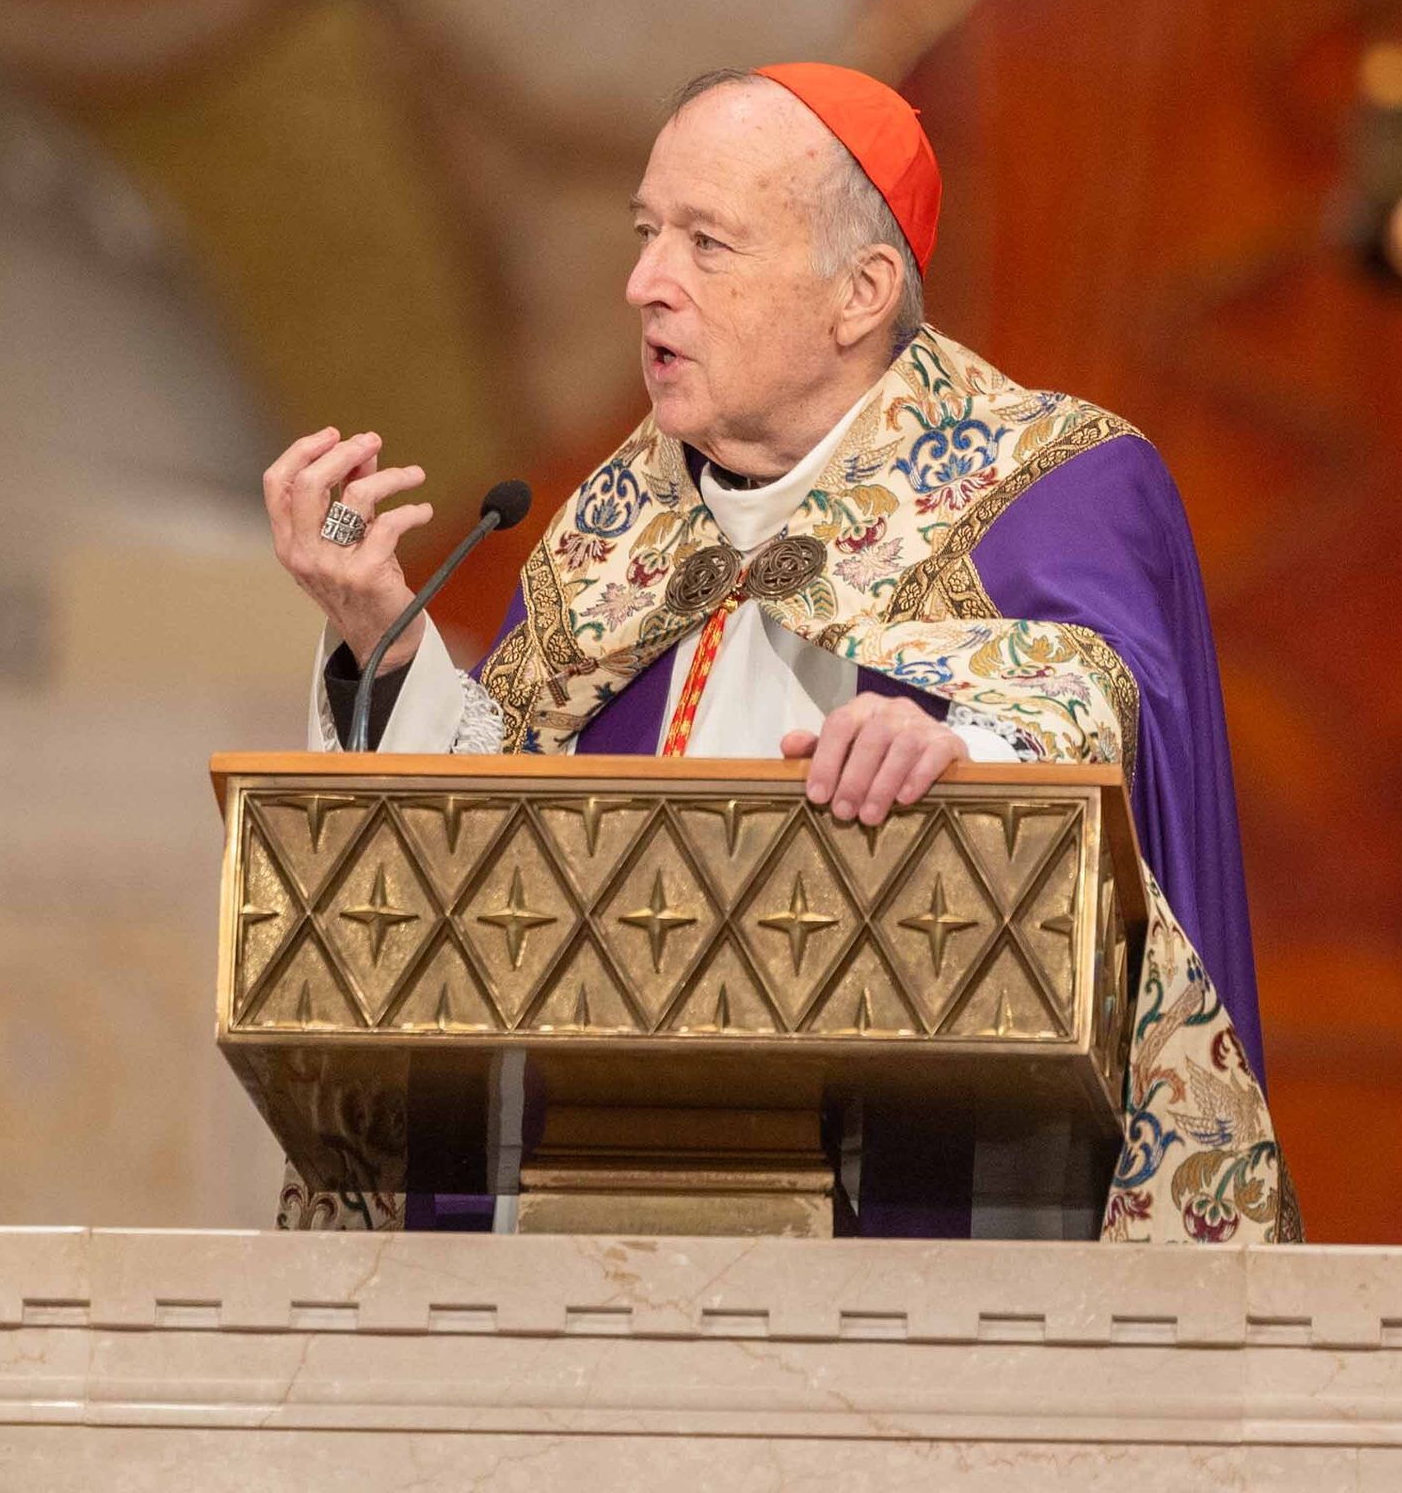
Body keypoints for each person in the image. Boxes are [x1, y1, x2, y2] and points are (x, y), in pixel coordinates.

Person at [265, 64, 1298, 1244]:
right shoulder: (613, 530)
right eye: (647, 233)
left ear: (857, 292)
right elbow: (491, 826)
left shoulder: (1049, 480)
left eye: (707, 244)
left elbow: (1102, 700)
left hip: (943, 1239)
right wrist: (376, 635)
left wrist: (959, 749)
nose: (644, 284)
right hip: (591, 1231)